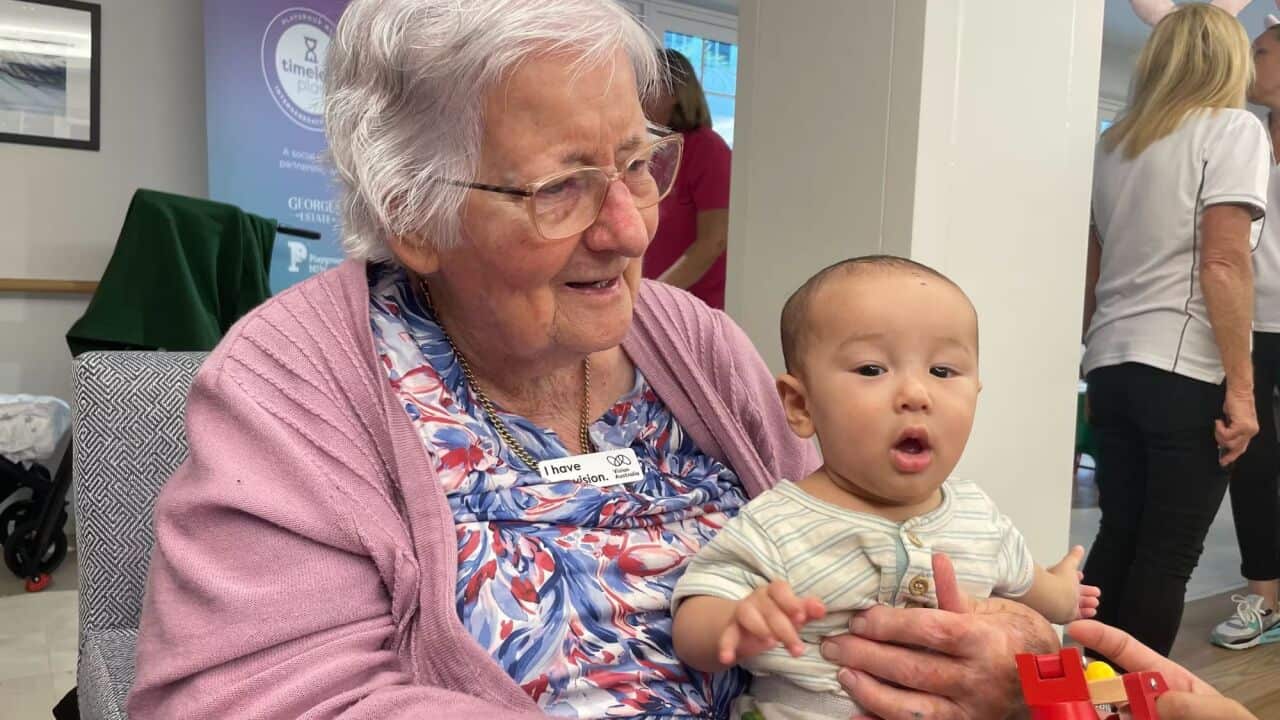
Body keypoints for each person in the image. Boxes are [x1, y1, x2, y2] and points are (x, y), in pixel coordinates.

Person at [124, 1, 1059, 718]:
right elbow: (244, 698)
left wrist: (998, 655)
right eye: (562, 187)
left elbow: (839, 553)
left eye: (639, 161)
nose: (630, 228)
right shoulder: (292, 383)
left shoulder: (694, 343)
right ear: (414, 215)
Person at [670, 257, 1100, 719]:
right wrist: (735, 624)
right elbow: (695, 617)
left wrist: (1065, 594)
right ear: (800, 404)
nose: (916, 394)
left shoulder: (980, 518)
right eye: (873, 370)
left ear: (976, 392)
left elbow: (1030, 583)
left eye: (943, 371)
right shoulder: (778, 523)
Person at [1082, 2, 1269, 658]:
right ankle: (1132, 703)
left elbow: (1094, 260)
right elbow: (1224, 260)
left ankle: (1085, 694)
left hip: (1110, 365)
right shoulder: (1232, 130)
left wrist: (1090, 350)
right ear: (1228, 61)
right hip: (1182, 369)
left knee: (1120, 535)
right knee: (1166, 556)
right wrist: (1241, 391)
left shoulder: (1116, 141)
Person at [1211, 21, 1280, 651]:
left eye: (1260, 52)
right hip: (1251, 327)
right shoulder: (1243, 136)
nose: (1249, 61)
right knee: (1253, 462)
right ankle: (1264, 596)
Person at [643, 48, 732, 309]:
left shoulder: (707, 148)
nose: (637, 96)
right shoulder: (658, 150)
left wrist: (653, 299)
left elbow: (713, 240)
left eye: (646, 85)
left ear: (674, 93)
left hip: (691, 307)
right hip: (656, 299)